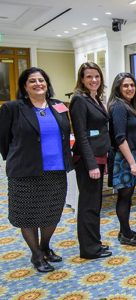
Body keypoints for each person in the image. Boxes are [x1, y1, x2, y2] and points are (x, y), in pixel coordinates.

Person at [0, 67, 73, 272]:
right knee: (28, 214)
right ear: (24, 86)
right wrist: (16, 157)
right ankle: (36, 255)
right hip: (25, 171)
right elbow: (3, 139)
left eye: (41, 80)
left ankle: (45, 247)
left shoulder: (58, 106)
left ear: (47, 84)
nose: (38, 84)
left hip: (56, 170)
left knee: (51, 213)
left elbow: (65, 134)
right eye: (32, 81)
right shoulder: (13, 108)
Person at [70, 62, 112, 259]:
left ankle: (95, 243)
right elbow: (81, 135)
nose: (94, 80)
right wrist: (92, 164)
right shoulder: (78, 100)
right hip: (88, 160)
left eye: (97, 76)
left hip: (99, 157)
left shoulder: (94, 99)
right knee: (88, 205)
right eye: (89, 77)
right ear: (82, 79)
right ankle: (88, 249)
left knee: (95, 204)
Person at [107, 72, 136, 247]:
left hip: (132, 155)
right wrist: (132, 162)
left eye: (132, 85)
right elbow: (119, 137)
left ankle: (126, 230)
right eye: (125, 85)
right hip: (124, 157)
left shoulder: (130, 105)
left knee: (128, 195)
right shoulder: (118, 106)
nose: (130, 88)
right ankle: (125, 234)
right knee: (124, 197)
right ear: (118, 88)